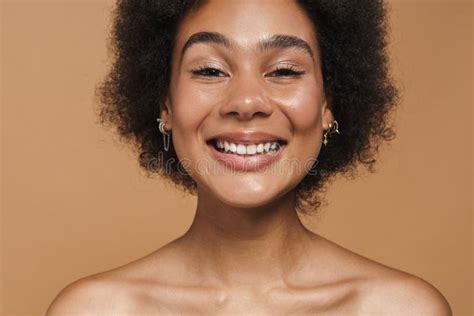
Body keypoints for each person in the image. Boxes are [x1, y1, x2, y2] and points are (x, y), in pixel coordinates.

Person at [47, 0, 452, 314]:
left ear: (329, 103)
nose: (245, 102)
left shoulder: (401, 310)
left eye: (284, 71)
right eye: (209, 70)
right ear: (164, 104)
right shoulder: (93, 311)